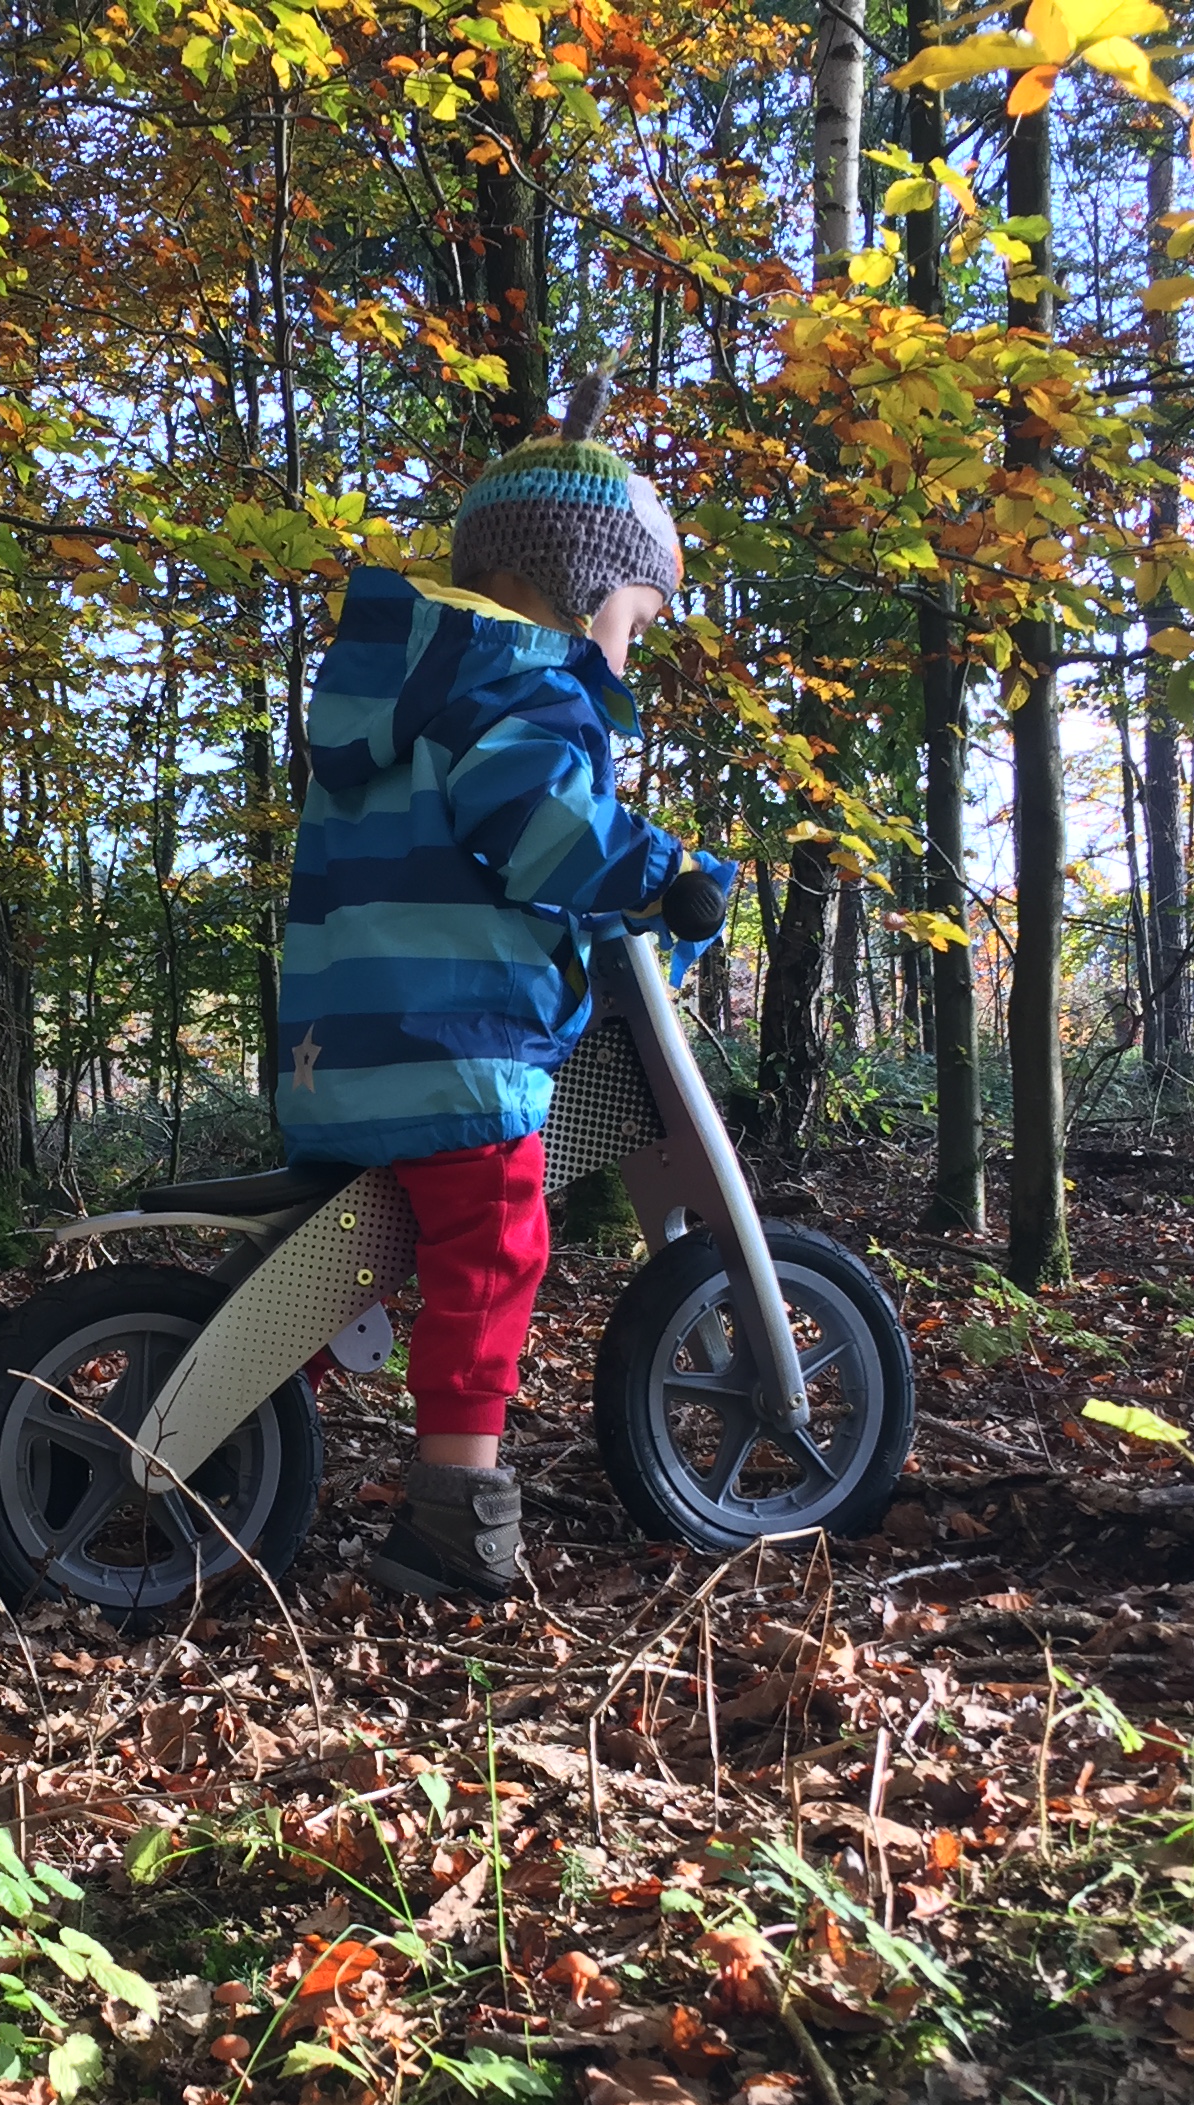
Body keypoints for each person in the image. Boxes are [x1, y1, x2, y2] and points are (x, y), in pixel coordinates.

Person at [278, 373, 733, 1603]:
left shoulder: (398, 692)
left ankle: (228, 1440)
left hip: (341, 1043)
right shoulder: (522, 680)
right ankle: (451, 1518)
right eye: (636, 620)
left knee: (324, 1277)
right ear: (580, 588)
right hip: (456, 1038)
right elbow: (538, 827)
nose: (629, 650)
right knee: (492, 1256)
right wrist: (662, 874)